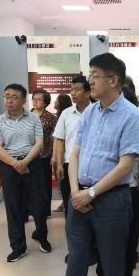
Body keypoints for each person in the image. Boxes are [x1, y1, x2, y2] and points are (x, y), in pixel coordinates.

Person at [46, 53, 139, 276]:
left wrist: (91, 193)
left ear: (113, 80)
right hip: (80, 198)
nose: (90, 81)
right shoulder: (89, 112)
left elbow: (126, 165)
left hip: (112, 199)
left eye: (95, 75)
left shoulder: (131, 116)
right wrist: (76, 192)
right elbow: (74, 154)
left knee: (112, 269)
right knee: (75, 268)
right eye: (90, 74)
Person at [87, 81, 139, 276]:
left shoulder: (134, 115)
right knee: (103, 238)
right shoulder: (96, 114)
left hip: (126, 186)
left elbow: (138, 154)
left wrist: (134, 178)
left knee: (127, 238)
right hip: (103, 186)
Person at [0, 84, 52, 261]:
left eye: (14, 97)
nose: (9, 100)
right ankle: (18, 247)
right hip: (8, 166)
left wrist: (25, 162)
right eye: (6, 96)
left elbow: (39, 143)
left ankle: (42, 237)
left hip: (32, 164)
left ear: (23, 100)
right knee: (14, 207)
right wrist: (16, 164)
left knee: (39, 204)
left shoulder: (33, 119)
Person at [53, 77, 91, 218]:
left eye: (77, 90)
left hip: (91, 164)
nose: (72, 93)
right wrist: (59, 164)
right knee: (70, 204)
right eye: (71, 89)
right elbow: (60, 139)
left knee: (90, 204)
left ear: (88, 93)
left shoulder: (97, 111)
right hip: (70, 164)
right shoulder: (66, 113)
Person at [31, 88, 57, 220]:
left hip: (44, 156)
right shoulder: (25, 116)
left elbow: (55, 138)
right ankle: (29, 210)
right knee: (29, 185)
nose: (35, 101)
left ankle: (45, 211)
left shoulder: (51, 118)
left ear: (46, 102)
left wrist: (54, 155)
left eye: (39, 99)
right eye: (34, 99)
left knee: (45, 184)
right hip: (27, 156)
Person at [52, 93, 72, 212]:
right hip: (60, 154)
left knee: (62, 180)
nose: (55, 102)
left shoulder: (64, 116)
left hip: (64, 155)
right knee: (61, 180)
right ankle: (64, 203)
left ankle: (65, 203)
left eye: (57, 100)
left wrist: (55, 155)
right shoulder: (60, 115)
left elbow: (58, 139)